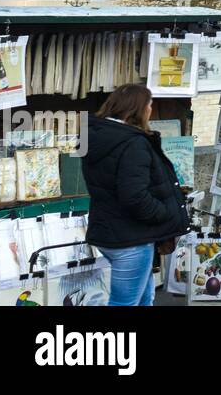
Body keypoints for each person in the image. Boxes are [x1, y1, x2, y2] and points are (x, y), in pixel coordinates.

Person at [82, 84, 191, 306]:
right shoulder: (133, 143)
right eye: (150, 104)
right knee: (125, 304)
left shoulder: (95, 136)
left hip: (108, 231)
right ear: (139, 109)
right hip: (130, 239)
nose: (151, 109)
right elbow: (134, 196)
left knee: (144, 298)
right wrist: (165, 213)